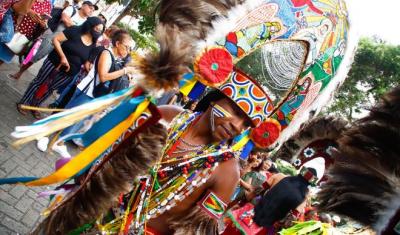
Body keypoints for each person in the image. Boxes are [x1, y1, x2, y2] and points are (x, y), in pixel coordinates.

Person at [46, 29, 136, 157]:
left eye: (130, 49)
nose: (128, 51)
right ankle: (46, 138)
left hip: (93, 94)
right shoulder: (106, 53)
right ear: (117, 43)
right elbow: (103, 76)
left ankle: (58, 143)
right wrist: (125, 71)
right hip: (87, 92)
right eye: (127, 47)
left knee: (75, 120)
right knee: (69, 118)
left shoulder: (114, 58)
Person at [16, 16, 104, 118]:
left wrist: (91, 69)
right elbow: (56, 39)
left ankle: (34, 106)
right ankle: (24, 102)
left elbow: (85, 62)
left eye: (100, 31)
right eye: (97, 29)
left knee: (50, 89)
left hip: (69, 73)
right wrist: (62, 57)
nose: (98, 32)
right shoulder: (75, 30)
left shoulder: (93, 45)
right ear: (90, 25)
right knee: (39, 82)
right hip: (54, 62)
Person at [8, 0, 97, 80]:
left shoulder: (86, 22)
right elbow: (65, 19)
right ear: (83, 5)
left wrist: (73, 28)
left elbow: (79, 33)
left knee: (51, 63)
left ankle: (40, 79)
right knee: (37, 55)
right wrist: (76, 30)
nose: (91, 11)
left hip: (66, 45)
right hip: (53, 37)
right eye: (90, 8)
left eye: (93, 10)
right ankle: (20, 72)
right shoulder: (72, 10)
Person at [0, 0, 52, 67]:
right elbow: (12, 6)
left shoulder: (48, 4)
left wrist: (43, 23)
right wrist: (29, 11)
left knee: (3, 58)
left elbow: (45, 22)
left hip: (23, 37)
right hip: (11, 28)